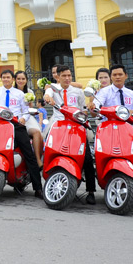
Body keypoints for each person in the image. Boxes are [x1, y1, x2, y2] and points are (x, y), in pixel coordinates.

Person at [94, 64, 133, 210]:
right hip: (109, 130)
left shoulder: (131, 94)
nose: (117, 77)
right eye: (114, 75)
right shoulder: (104, 92)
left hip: (128, 131)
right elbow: (97, 107)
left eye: (120, 74)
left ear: (125, 76)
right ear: (111, 77)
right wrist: (94, 108)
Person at [0, 69, 45, 199]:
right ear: (1, 79)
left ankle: (38, 188)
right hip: (1, 125)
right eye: (4, 77)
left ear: (12, 79)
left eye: (8, 77)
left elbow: (25, 111)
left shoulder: (19, 94)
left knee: (29, 155)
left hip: (17, 125)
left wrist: (23, 118)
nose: (6, 79)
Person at [42, 65, 95, 201]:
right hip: (59, 126)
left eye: (69, 75)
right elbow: (47, 95)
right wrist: (48, 99)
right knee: (48, 149)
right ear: (58, 77)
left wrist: (85, 117)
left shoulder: (77, 91)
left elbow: (83, 110)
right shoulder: (53, 89)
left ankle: (90, 191)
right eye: (64, 76)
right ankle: (48, 178)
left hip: (76, 127)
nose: (67, 78)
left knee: (87, 158)